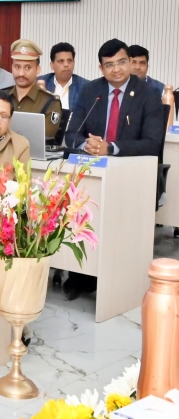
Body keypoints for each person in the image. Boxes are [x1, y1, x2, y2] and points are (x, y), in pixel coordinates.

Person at [63, 40, 168, 299]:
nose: (117, 69)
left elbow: (153, 144)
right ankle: (81, 275)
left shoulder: (148, 94)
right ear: (101, 67)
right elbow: (71, 134)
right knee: (82, 214)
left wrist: (111, 147)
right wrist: (86, 143)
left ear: (130, 62)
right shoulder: (91, 91)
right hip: (93, 172)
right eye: (109, 65)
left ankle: (120, 280)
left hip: (131, 177)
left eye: (122, 62)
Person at [0, 39, 63, 141]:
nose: (21, 73)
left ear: (37, 70)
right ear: (12, 67)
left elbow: (45, 137)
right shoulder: (0, 97)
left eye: (28, 68)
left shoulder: (50, 102)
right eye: (17, 67)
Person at [41, 42, 89, 112]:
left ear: (74, 63)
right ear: (52, 65)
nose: (66, 65)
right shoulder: (41, 83)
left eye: (69, 61)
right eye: (61, 61)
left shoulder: (85, 87)